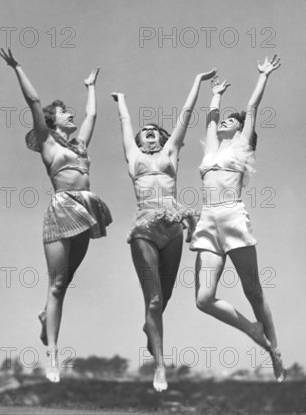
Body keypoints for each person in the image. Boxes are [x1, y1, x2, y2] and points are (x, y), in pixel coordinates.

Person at [0, 49, 112, 383]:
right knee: (58, 283)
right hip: (61, 209)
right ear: (53, 120)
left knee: (67, 280)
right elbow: (33, 101)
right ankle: (53, 355)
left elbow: (92, 116)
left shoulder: (79, 146)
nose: (72, 116)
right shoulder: (48, 143)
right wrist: (17, 67)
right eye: (66, 113)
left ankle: (45, 314)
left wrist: (91, 86)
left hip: (87, 209)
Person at [111, 68, 216, 391]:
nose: (148, 133)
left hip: (172, 227)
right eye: (145, 132)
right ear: (139, 141)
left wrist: (197, 81)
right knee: (154, 302)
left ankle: (150, 329)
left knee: (166, 295)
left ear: (164, 137)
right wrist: (122, 102)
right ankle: (159, 365)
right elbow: (126, 126)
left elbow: (185, 116)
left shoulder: (171, 153)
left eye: (154, 130)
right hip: (144, 227)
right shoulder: (133, 156)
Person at [190, 56, 286, 382]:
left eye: (233, 120)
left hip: (231, 214)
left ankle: (275, 351)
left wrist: (263, 76)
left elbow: (252, 107)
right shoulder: (213, 148)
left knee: (253, 291)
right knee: (203, 299)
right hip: (207, 222)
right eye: (226, 120)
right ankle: (251, 330)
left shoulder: (241, 147)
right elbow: (209, 119)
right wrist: (215, 94)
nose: (226, 121)